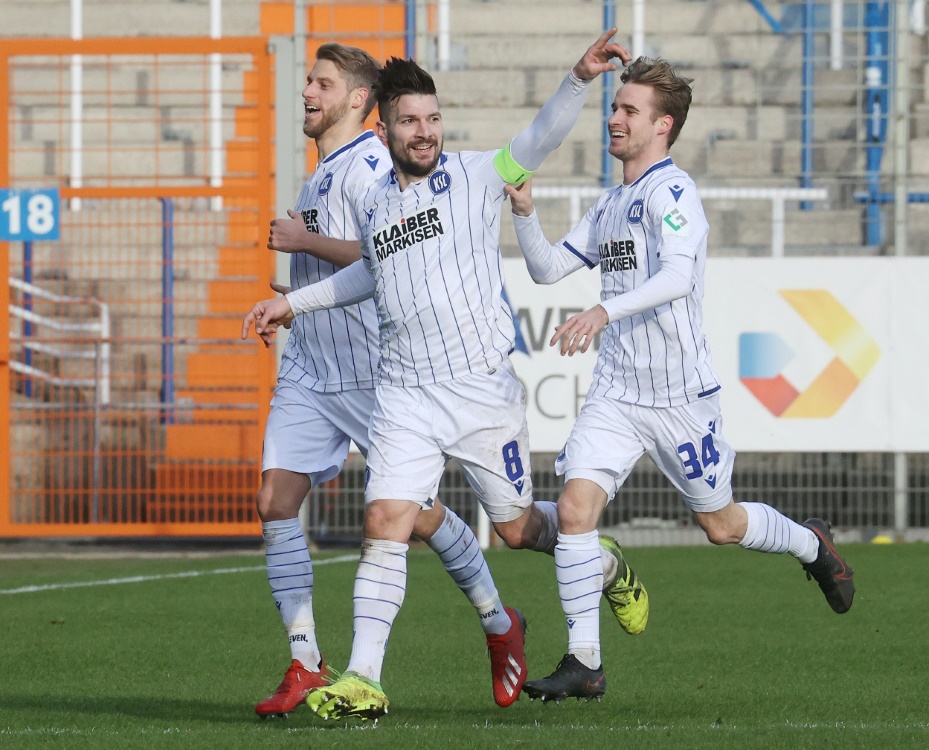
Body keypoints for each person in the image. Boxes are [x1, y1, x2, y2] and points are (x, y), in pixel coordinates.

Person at [242, 30, 643, 723]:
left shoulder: (475, 174)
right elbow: (368, 273)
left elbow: (540, 137)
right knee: (385, 520)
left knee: (517, 531)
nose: (423, 133)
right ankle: (363, 679)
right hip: (403, 393)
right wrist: (291, 301)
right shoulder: (377, 205)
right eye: (410, 122)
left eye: (431, 120)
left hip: (481, 393)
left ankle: (594, 556)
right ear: (387, 128)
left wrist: (578, 78)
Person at [503, 57, 856, 704]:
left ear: (661, 126)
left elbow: (676, 278)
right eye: (613, 106)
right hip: (616, 392)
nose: (613, 117)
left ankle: (810, 544)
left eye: (628, 110)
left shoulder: (672, 194)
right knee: (578, 509)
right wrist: (524, 213)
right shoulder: (608, 203)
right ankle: (585, 660)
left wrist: (604, 308)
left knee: (719, 526)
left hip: (677, 396)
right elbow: (548, 270)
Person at [251, 42, 527, 719]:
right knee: (274, 501)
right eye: (307, 81)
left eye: (320, 83)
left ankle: (498, 623)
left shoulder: (375, 164)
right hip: (312, 369)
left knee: (420, 520)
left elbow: (380, 256)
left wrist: (305, 247)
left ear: (355, 99)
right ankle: (306, 663)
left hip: (377, 373)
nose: (307, 93)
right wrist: (292, 298)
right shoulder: (318, 175)